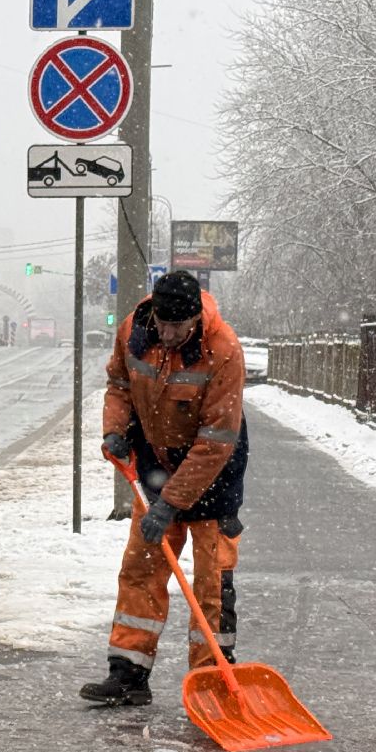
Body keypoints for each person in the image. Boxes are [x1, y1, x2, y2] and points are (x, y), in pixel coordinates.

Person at [81, 270, 248, 707]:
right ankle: (129, 672)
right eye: (164, 324)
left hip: (214, 472)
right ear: (153, 312)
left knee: (211, 581)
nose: (170, 334)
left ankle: (210, 676)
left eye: (180, 326)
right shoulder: (135, 331)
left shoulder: (224, 349)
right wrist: (116, 430)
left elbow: (217, 439)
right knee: (141, 567)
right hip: (154, 464)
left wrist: (171, 504)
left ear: (196, 318)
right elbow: (118, 384)